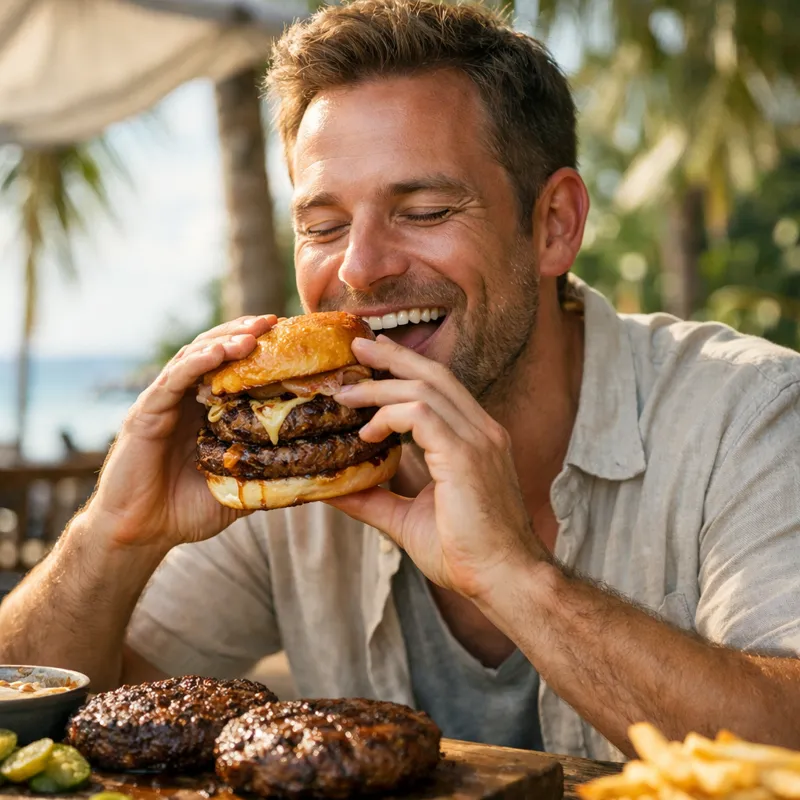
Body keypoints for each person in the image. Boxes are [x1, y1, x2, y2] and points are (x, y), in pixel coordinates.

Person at [2, 0, 799, 761]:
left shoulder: (748, 412)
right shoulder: (287, 471)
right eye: (323, 226)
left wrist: (517, 578)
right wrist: (112, 537)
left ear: (554, 225)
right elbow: (57, 721)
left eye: (424, 210)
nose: (360, 267)